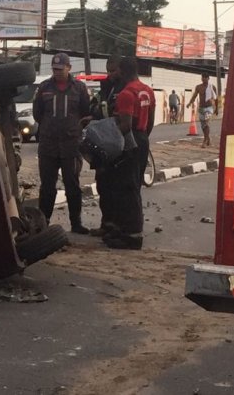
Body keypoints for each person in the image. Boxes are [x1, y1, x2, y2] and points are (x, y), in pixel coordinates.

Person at [100, 56, 155, 250]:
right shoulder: (147, 90)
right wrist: (142, 141)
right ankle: (125, 230)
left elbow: (125, 125)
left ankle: (132, 235)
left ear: (122, 71)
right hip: (142, 140)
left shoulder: (126, 93)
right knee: (133, 186)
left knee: (127, 189)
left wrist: (111, 136)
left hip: (129, 141)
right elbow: (150, 122)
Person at [32, 52, 91, 233]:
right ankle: (44, 224)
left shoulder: (79, 88)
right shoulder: (44, 87)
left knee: (72, 185)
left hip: (71, 145)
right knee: (47, 187)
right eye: (54, 69)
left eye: (60, 69)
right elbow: (37, 113)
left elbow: (85, 112)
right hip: (48, 145)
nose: (57, 72)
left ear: (69, 68)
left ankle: (76, 223)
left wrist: (74, 129)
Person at [86, 55, 125, 239]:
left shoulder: (126, 88)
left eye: (113, 70)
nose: (110, 74)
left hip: (119, 143)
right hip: (103, 141)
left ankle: (118, 226)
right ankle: (106, 223)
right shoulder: (106, 86)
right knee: (103, 185)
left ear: (121, 69)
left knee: (117, 188)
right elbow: (97, 108)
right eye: (108, 70)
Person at [187, 73, 218, 148]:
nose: (204, 79)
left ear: (208, 78)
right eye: (203, 77)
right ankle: (208, 138)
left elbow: (216, 98)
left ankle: (205, 140)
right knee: (203, 125)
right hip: (201, 108)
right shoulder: (198, 87)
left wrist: (216, 108)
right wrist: (190, 103)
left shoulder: (212, 87)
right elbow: (194, 95)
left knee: (206, 123)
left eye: (205, 77)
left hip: (209, 108)